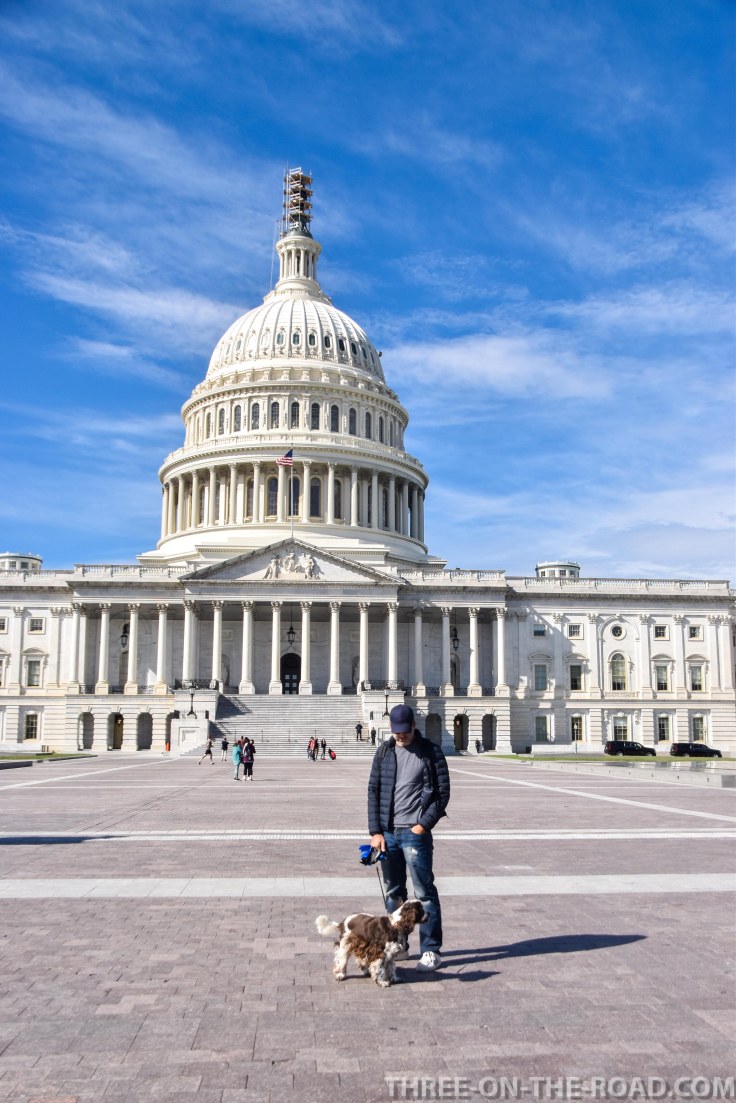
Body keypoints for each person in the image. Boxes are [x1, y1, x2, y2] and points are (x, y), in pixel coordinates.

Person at [367, 704, 450, 972]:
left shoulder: (430, 752)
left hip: (414, 833)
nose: (400, 736)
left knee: (424, 892)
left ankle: (431, 950)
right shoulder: (385, 751)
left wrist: (423, 825)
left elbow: (442, 792)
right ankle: (398, 945)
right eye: (396, 732)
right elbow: (373, 791)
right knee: (394, 891)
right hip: (388, 833)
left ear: (414, 725)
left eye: (404, 731)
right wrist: (375, 832)